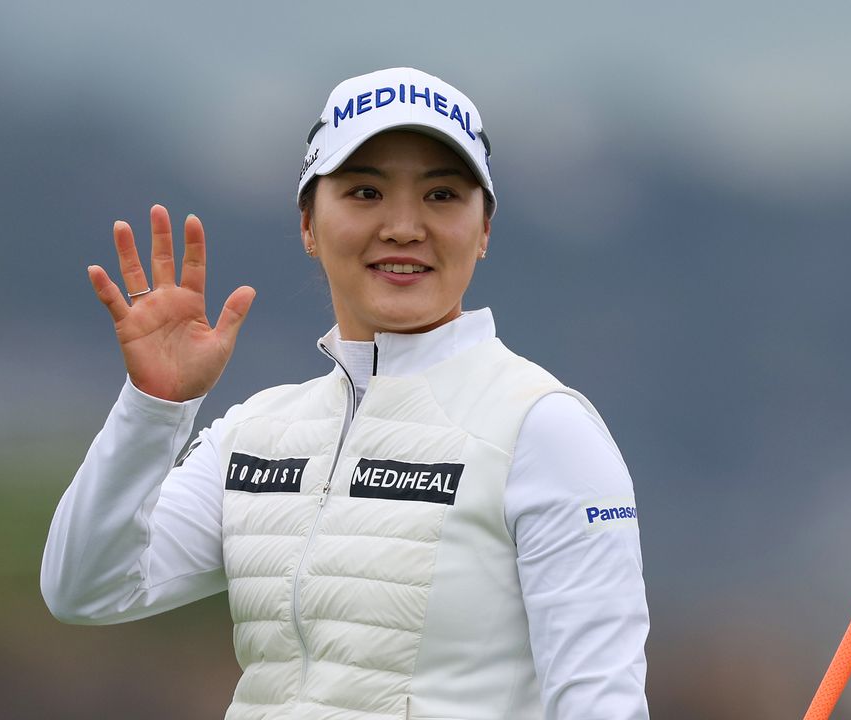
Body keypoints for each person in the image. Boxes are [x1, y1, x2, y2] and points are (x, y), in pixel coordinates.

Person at [41, 67, 649, 720]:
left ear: (484, 230)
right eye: (365, 192)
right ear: (308, 223)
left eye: (442, 196)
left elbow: (601, 706)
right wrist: (152, 409)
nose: (404, 227)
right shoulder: (258, 431)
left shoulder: (543, 428)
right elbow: (85, 589)